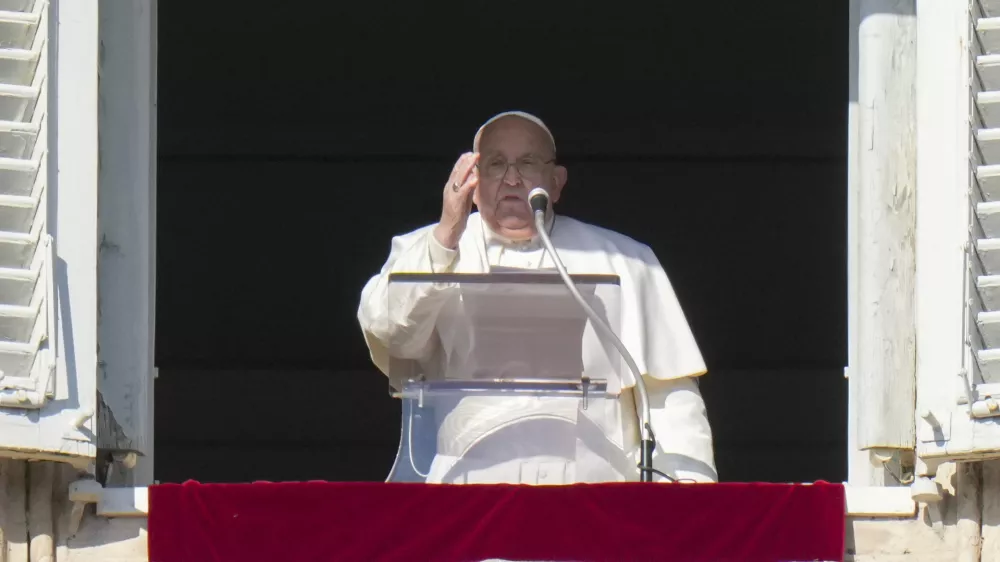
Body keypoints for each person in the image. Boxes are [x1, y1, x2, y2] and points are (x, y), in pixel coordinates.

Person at [357, 111, 717, 484]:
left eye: (527, 163)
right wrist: (448, 233)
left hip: (594, 491)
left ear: (557, 182)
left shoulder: (623, 259)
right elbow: (391, 334)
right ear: (473, 181)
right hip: (466, 490)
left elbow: (669, 398)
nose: (512, 178)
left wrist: (688, 498)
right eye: (496, 164)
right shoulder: (429, 250)